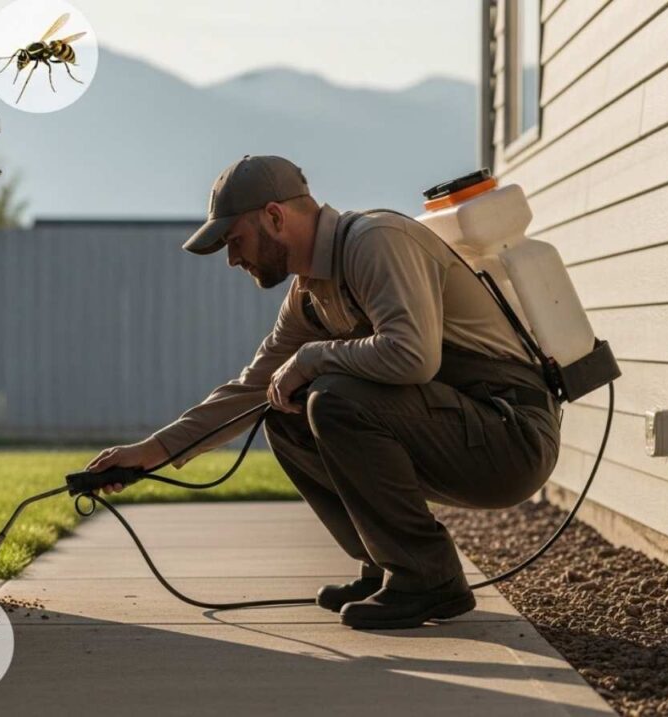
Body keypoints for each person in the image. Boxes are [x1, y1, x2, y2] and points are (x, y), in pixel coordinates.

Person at [86, 155, 562, 630]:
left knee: (334, 395)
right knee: (280, 409)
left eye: (236, 241)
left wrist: (313, 358)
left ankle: (427, 576)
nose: (233, 259)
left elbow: (414, 356)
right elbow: (250, 390)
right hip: (459, 430)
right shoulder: (310, 294)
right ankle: (385, 564)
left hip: (511, 435)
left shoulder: (375, 242)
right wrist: (149, 453)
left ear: (274, 216)